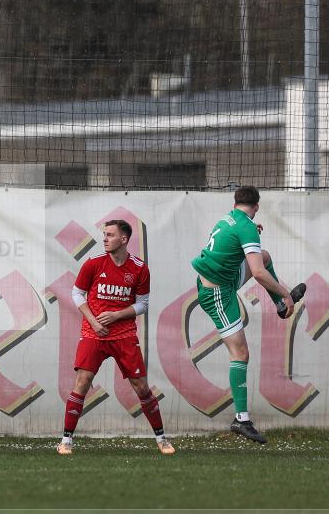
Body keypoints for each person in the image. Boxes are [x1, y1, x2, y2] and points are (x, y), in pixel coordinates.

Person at [191, 186, 306, 444]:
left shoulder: (230, 218)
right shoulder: (246, 227)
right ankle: (241, 420)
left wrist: (251, 231)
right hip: (217, 294)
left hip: (224, 279)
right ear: (256, 206)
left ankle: (280, 306)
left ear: (236, 204)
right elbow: (258, 273)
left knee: (263, 256)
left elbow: (241, 245)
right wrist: (286, 292)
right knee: (240, 353)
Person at [57, 220, 173, 455]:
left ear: (124, 239)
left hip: (124, 335)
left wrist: (117, 315)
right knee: (82, 382)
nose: (105, 238)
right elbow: (77, 294)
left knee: (141, 387)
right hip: (94, 333)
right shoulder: (93, 264)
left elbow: (143, 305)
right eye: (104, 234)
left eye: (110, 235)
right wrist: (93, 321)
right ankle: (66, 441)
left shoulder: (140, 268)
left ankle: (162, 439)